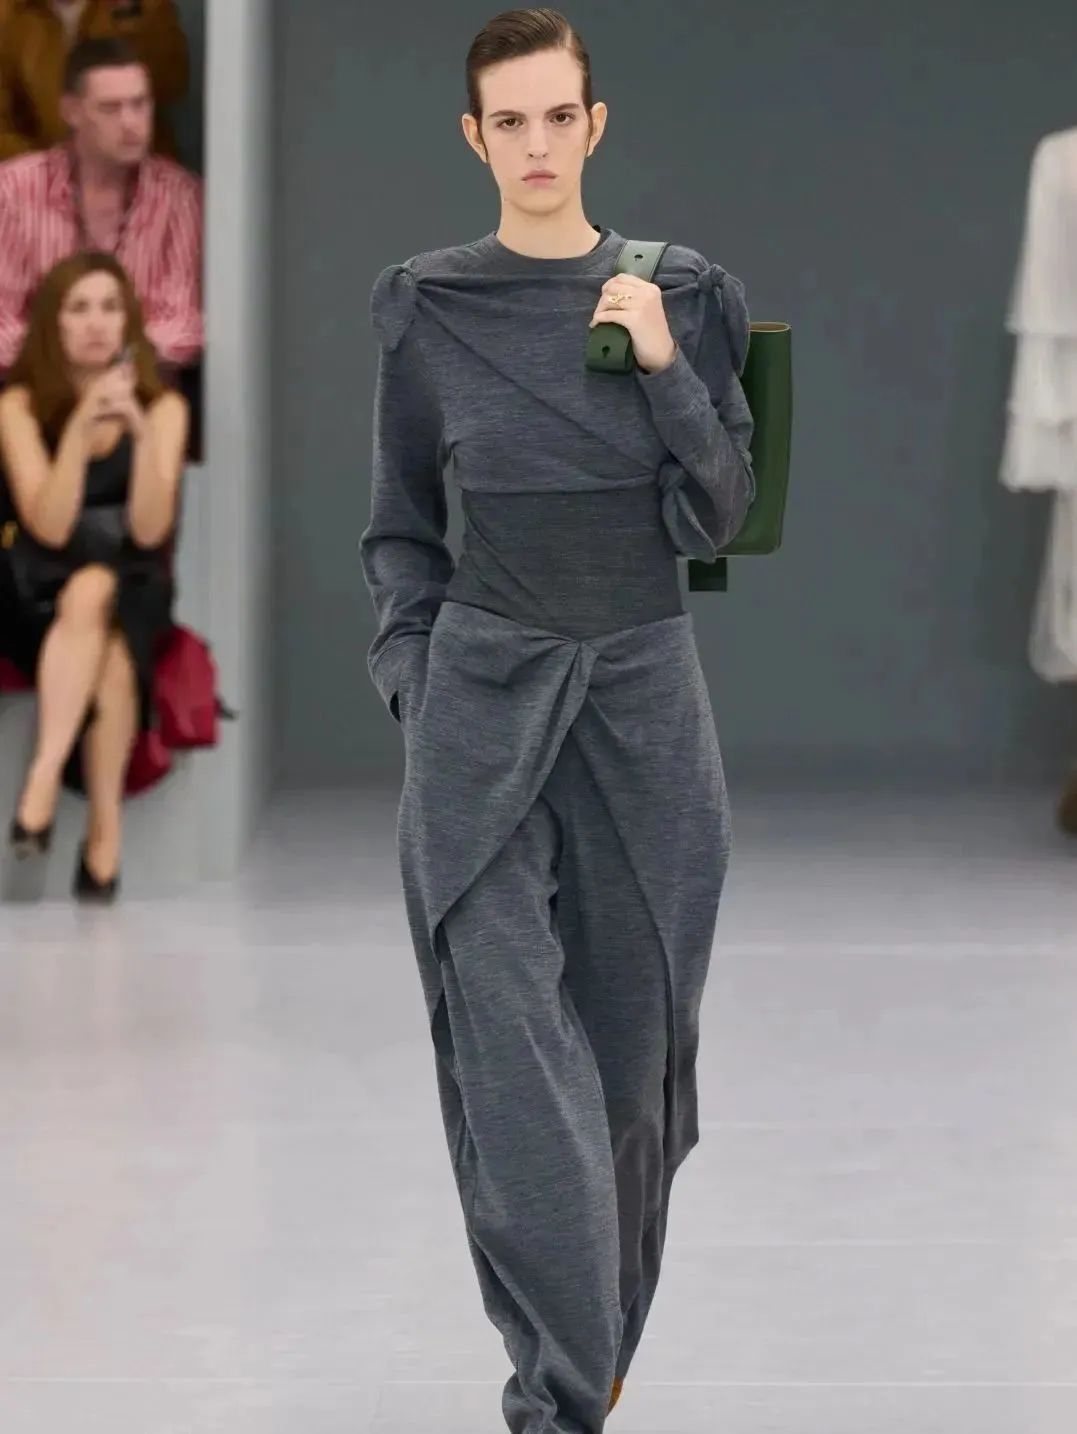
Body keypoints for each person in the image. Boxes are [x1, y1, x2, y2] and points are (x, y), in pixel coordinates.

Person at [359, 8, 755, 1430]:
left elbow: (721, 514)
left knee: (636, 1077)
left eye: (557, 118)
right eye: (509, 122)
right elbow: (401, 527)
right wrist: (417, 682)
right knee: (511, 1060)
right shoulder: (426, 304)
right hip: (479, 702)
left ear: (595, 126)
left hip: (644, 703)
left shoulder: (682, 292)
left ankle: (584, 1364)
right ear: (476, 139)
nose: (537, 146)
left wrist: (661, 368)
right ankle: (561, 1397)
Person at [0, 249, 188, 900]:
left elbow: (149, 532)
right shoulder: (19, 405)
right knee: (93, 609)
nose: (96, 323)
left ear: (128, 322)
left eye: (110, 307)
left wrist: (138, 431)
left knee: (102, 593)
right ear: (52, 323)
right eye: (78, 308)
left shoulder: (163, 407)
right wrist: (79, 433)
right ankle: (102, 837)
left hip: (134, 580)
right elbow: (49, 528)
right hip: (36, 586)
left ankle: (41, 786)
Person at [0, 35, 203, 381]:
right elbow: (2, 321)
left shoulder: (180, 196)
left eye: (139, 104)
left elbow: (184, 325)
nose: (130, 123)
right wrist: (75, 360)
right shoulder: (14, 190)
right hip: (36, 390)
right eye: (110, 108)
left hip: (143, 389)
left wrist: (103, 359)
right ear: (72, 112)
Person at [0, 0, 189, 162]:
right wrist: (43, 173)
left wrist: (129, 15)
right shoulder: (12, 13)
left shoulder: (144, 6)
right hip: (39, 176)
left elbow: (171, 84)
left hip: (137, 172)